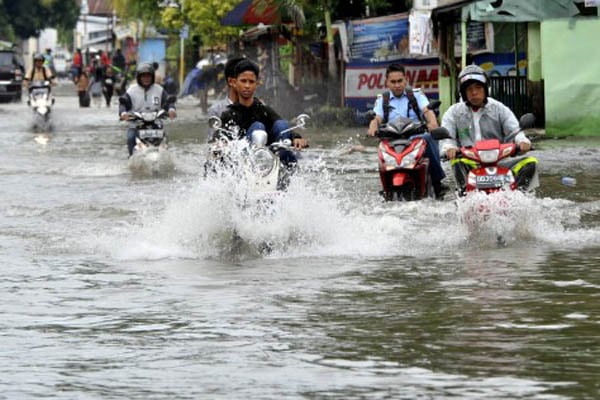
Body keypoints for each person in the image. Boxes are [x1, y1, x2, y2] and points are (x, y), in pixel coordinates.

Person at [440, 64, 536, 192]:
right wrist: (449, 148)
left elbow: (515, 131)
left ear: (486, 89)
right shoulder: (453, 112)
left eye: (478, 87)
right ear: (463, 92)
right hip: (470, 162)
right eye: (469, 89)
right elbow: (447, 137)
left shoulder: (499, 109)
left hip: (500, 161)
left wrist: (522, 141)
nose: (474, 92)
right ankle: (465, 200)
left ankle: (519, 197)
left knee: (530, 162)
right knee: (457, 163)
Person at [366, 63, 448, 198]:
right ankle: (385, 186)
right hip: (393, 141)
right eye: (393, 82)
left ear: (406, 80)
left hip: (415, 138)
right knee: (381, 146)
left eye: (400, 81)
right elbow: (377, 118)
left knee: (428, 137)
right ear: (387, 82)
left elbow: (427, 110)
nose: (397, 85)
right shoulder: (382, 100)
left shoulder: (415, 95)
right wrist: (372, 128)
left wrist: (433, 123)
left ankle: (438, 182)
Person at [218, 60, 306, 166]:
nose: (247, 86)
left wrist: (297, 138)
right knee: (257, 126)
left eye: (251, 82)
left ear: (257, 84)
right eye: (243, 81)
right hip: (246, 162)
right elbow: (219, 137)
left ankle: (288, 171)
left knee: (281, 124)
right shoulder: (229, 114)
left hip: (269, 160)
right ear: (235, 83)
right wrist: (220, 144)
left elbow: (282, 127)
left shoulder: (264, 110)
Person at [119, 63, 177, 157]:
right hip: (136, 123)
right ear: (139, 77)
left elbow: (168, 101)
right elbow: (123, 103)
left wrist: (171, 109)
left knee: (165, 137)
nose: (146, 78)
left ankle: (165, 157)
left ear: (152, 77)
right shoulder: (131, 90)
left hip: (156, 122)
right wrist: (123, 113)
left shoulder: (159, 90)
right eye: (143, 76)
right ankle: (131, 159)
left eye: (148, 76)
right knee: (130, 138)